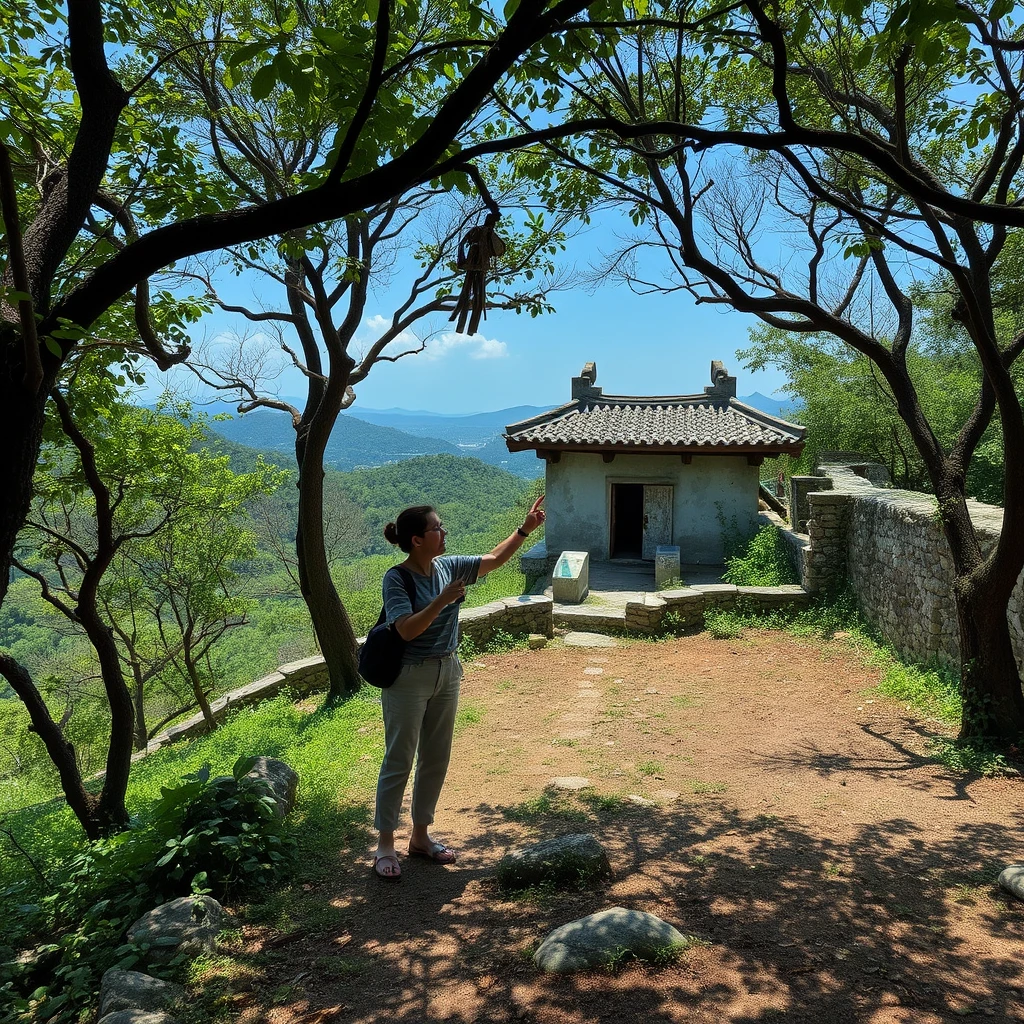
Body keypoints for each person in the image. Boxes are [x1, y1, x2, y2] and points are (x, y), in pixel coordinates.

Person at [371, 495, 546, 881]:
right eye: (436, 527)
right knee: (399, 759)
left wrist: (524, 530)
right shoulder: (396, 578)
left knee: (435, 757)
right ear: (417, 540)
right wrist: (441, 601)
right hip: (408, 677)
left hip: (447, 670)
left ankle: (420, 837)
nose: (443, 531)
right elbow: (404, 629)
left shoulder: (449, 567)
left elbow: (493, 560)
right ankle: (385, 843)